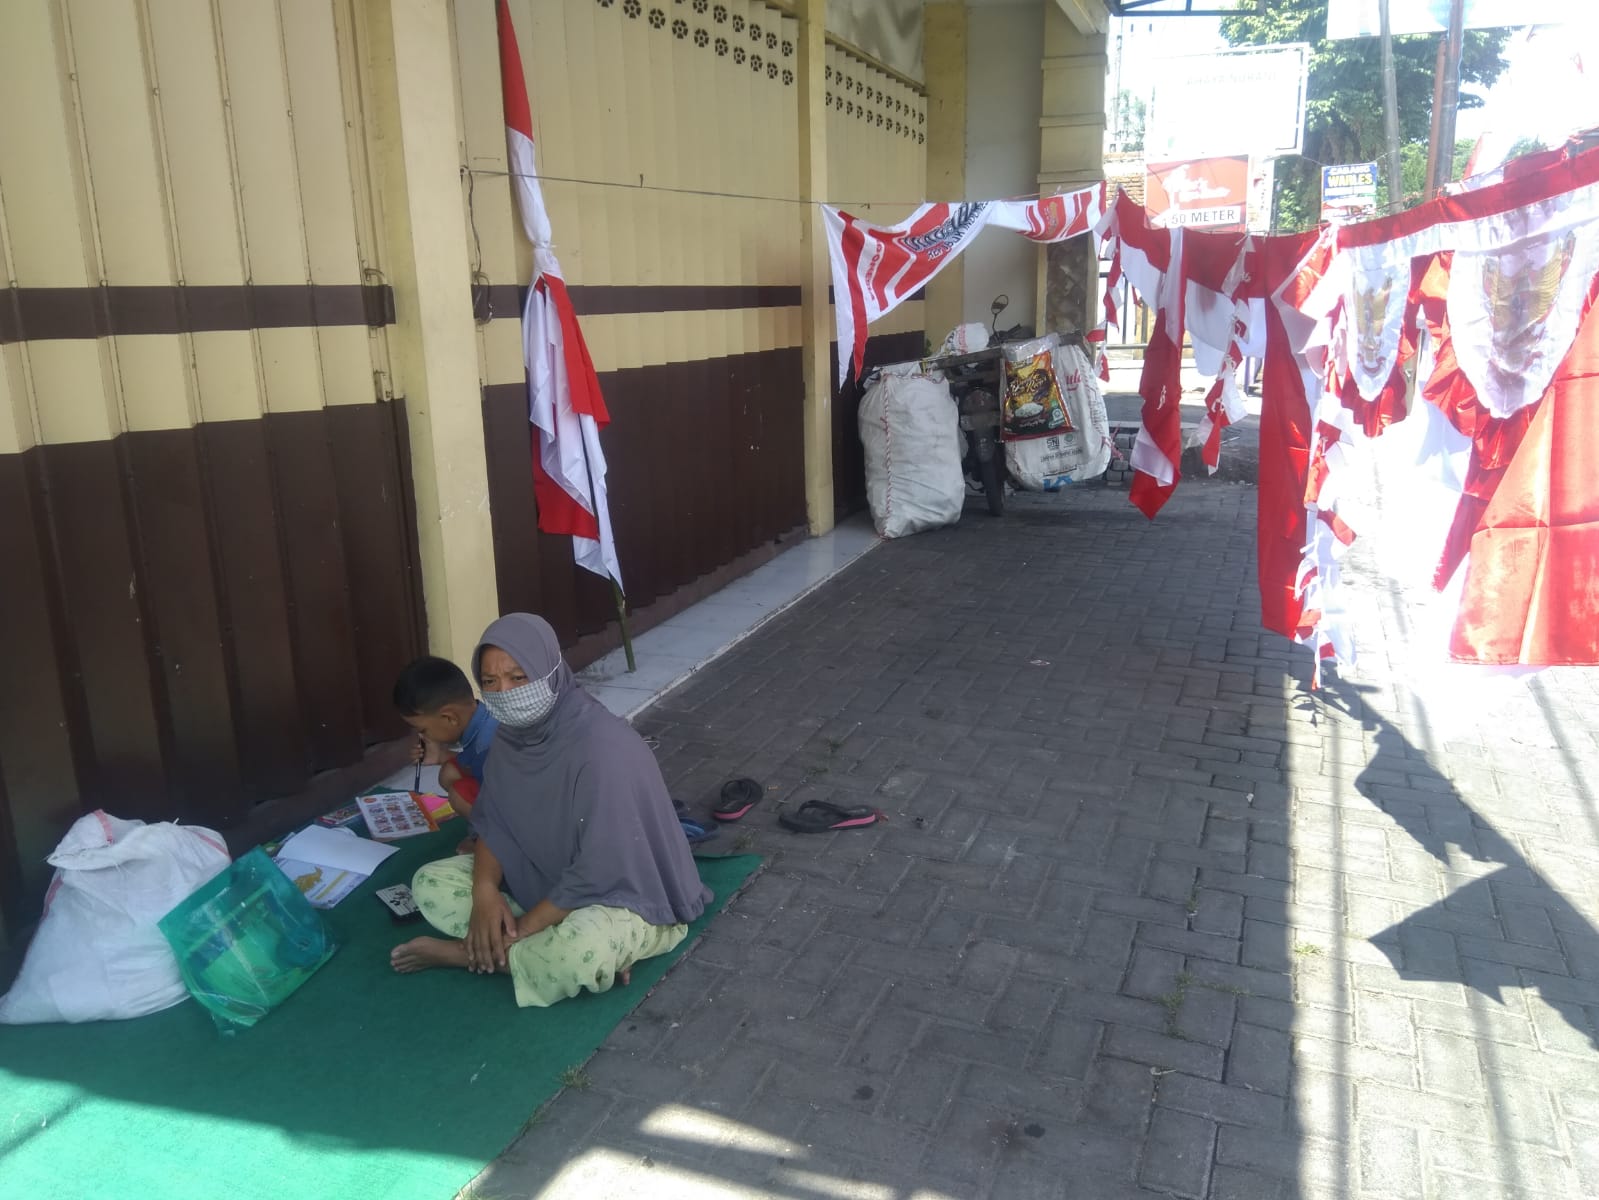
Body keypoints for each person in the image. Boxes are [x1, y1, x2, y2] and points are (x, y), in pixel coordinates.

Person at [390, 613, 711, 1007]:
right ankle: (555, 953)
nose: (504, 691)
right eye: (490, 682)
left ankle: (467, 954)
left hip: (626, 895)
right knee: (430, 883)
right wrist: (485, 892)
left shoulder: (601, 749)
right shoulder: (511, 738)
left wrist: (523, 928)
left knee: (577, 952)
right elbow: (496, 820)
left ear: (550, 671)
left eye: (518, 677)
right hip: (545, 877)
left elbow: (599, 869)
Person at [392, 656, 499, 820]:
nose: (422, 736)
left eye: (423, 730)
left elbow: (508, 801)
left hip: (522, 812)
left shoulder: (485, 746)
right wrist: (441, 755)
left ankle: (488, 838)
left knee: (459, 795)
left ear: (450, 718)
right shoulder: (487, 716)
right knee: (450, 772)